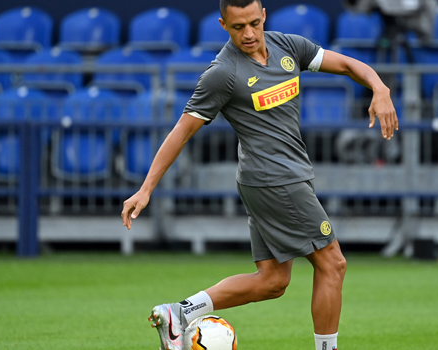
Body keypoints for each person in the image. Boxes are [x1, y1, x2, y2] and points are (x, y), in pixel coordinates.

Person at [121, 0, 398, 349]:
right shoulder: (223, 73)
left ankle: (180, 312)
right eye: (238, 27)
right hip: (276, 180)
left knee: (272, 281)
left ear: (264, 15)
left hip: (275, 178)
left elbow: (344, 64)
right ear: (223, 24)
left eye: (254, 23)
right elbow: (182, 131)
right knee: (333, 264)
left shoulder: (287, 46)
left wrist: (380, 87)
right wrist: (146, 188)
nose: (249, 34)